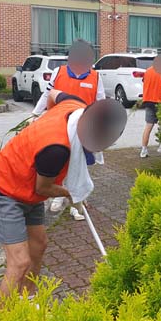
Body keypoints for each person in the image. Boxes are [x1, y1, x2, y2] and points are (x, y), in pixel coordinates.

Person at [0, 93, 126, 298]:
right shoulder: (56, 149)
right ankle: (4, 320)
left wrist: (44, 118)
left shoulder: (76, 104)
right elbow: (44, 188)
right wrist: (71, 194)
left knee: (38, 246)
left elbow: (53, 93)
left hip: (28, 190)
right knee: (20, 262)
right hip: (3, 189)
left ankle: (28, 298)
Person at [31, 40, 104, 220]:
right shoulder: (59, 72)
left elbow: (100, 102)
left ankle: (76, 203)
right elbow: (48, 94)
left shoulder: (95, 77)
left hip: (83, 127)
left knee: (81, 163)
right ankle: (59, 195)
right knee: (61, 161)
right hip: (59, 125)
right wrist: (35, 114)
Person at [140, 53, 161, 158]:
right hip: (160, 101)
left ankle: (143, 150)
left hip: (148, 101)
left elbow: (145, 83)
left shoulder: (148, 71)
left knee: (148, 126)